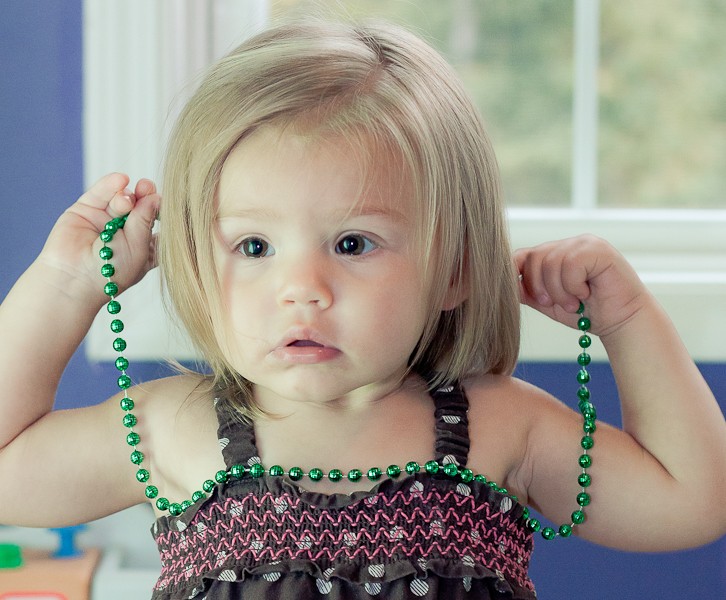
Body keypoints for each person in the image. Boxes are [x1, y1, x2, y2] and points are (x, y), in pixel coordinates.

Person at [0, 18, 724, 600]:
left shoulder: (506, 425)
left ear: (455, 269)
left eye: (352, 242)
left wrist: (627, 321)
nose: (302, 287)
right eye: (253, 246)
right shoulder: (169, 428)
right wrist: (66, 286)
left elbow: (691, 501)